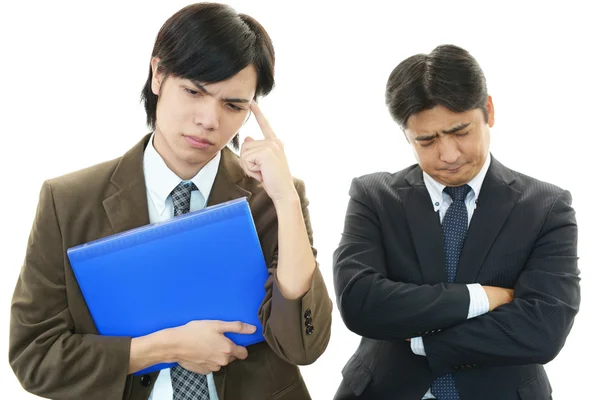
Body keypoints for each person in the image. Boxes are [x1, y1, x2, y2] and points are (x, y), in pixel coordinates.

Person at [9, 3, 332, 400]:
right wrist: (163, 348)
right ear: (158, 75)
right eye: (194, 92)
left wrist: (285, 200)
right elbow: (34, 357)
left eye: (233, 106)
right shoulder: (69, 201)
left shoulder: (274, 199)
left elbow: (303, 345)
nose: (210, 120)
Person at [332, 44, 580, 400]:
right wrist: (479, 297)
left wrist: (423, 340)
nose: (448, 155)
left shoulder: (546, 207)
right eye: (427, 140)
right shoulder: (373, 196)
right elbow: (360, 303)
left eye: (461, 131)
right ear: (406, 134)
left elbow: (544, 329)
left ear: (489, 111)